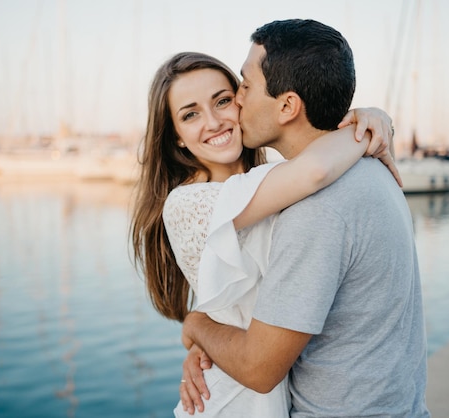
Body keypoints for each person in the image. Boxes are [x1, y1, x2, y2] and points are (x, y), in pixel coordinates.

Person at [180, 19, 431, 417]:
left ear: (287, 106)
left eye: (244, 85)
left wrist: (196, 326)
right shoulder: (371, 167)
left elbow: (259, 368)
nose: (237, 100)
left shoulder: (317, 210)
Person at [130, 50, 400, 416]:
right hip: (231, 398)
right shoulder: (188, 204)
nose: (213, 122)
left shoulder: (271, 180)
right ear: (177, 136)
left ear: (241, 101)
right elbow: (315, 170)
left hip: (276, 387)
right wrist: (368, 125)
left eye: (222, 101)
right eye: (190, 114)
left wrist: (377, 117)